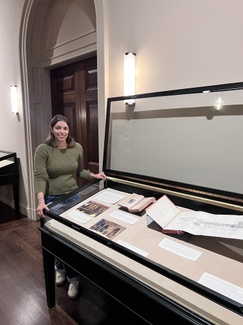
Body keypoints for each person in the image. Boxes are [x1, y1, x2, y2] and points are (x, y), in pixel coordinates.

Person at [34, 114, 106, 299]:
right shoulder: (43, 150)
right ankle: (65, 271)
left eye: (65, 128)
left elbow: (79, 171)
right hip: (52, 200)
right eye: (58, 128)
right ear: (51, 129)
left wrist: (94, 176)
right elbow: (40, 176)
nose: (62, 131)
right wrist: (41, 201)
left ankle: (70, 275)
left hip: (74, 198)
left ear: (69, 130)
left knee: (72, 240)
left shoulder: (76, 148)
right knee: (58, 239)